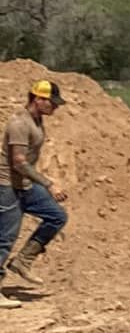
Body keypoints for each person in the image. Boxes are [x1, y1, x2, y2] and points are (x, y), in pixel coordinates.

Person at [2, 78, 68, 299]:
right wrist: (48, 183)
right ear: (38, 99)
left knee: (56, 216)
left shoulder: (37, 120)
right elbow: (19, 162)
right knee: (5, 238)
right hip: (7, 185)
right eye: (52, 102)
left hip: (25, 185)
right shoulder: (19, 124)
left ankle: (23, 261)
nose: (56, 107)